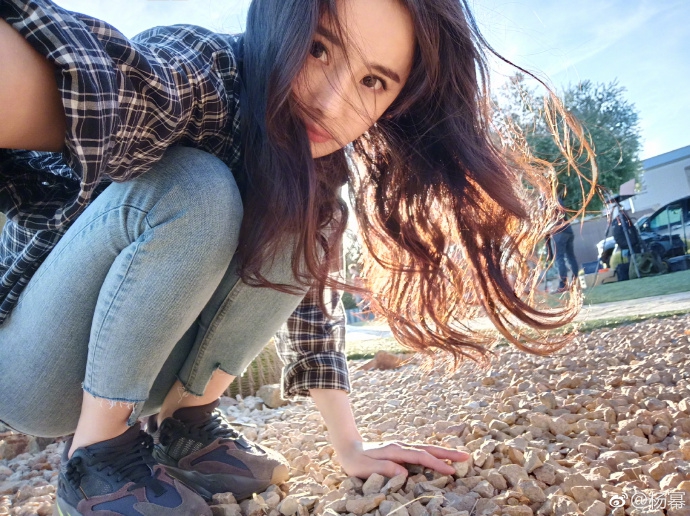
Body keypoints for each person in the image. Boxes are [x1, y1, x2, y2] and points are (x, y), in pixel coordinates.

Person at [0, 0, 585, 514]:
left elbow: (310, 314)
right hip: (31, 370)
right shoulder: (206, 70)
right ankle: (96, 458)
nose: (330, 103)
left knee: (311, 219)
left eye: (373, 81)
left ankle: (188, 430)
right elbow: (112, 92)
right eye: (318, 48)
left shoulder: (320, 174)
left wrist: (351, 447)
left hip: (143, 379)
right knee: (195, 187)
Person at [550, 199, 580, 292]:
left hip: (558, 231)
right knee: (571, 257)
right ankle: (575, 282)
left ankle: (563, 285)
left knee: (559, 258)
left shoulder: (547, 201)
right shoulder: (558, 199)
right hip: (568, 230)